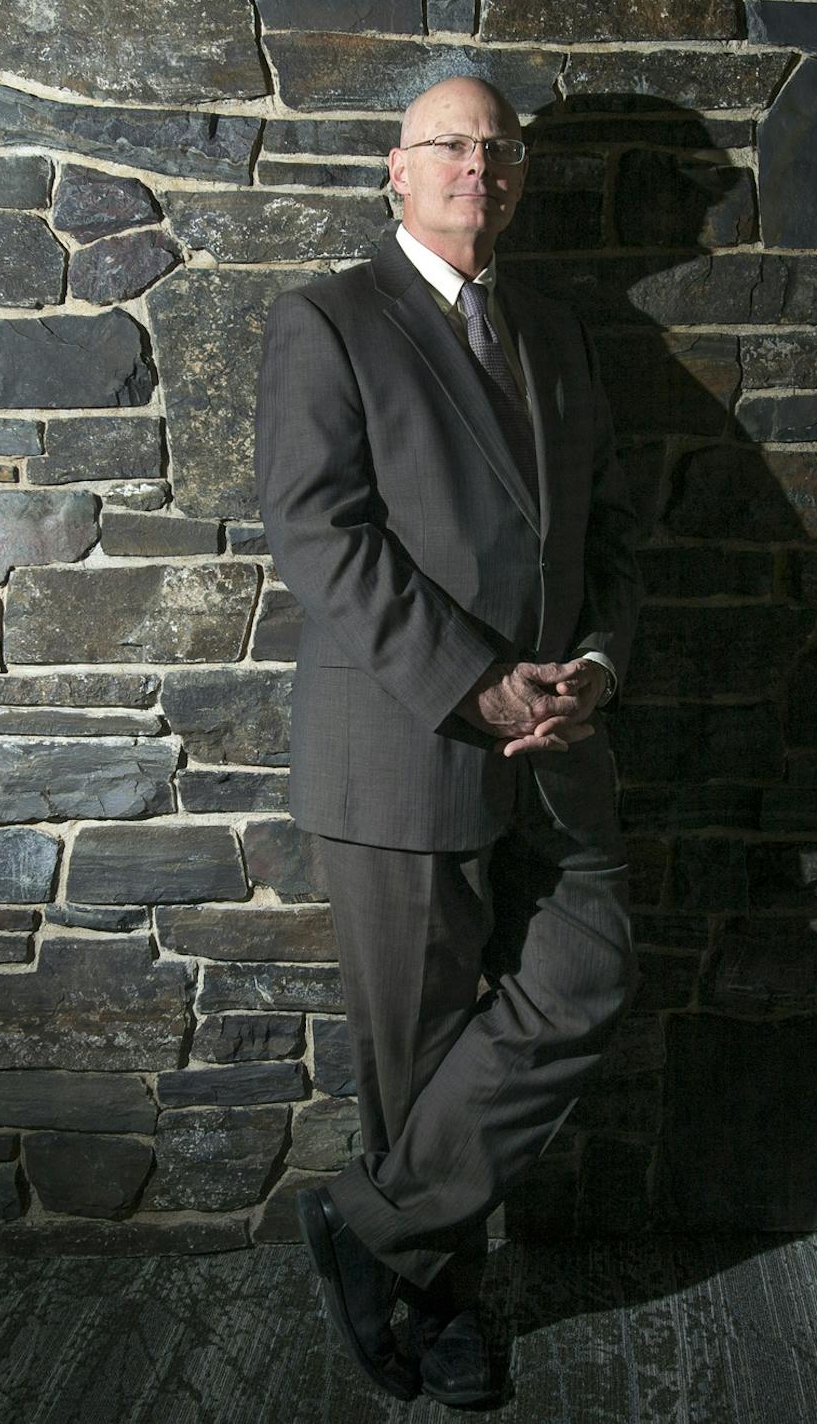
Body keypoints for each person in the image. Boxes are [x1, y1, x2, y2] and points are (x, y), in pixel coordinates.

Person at [253, 75, 646, 1408]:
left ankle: (363, 1230)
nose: (479, 167)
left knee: (585, 976)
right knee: (416, 1062)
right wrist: (475, 684)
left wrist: (593, 664)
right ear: (395, 169)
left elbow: (608, 535)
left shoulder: (553, 327)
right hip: (405, 749)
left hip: (558, 751)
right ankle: (447, 1313)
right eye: (451, 147)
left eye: (499, 150)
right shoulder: (329, 321)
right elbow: (320, 537)